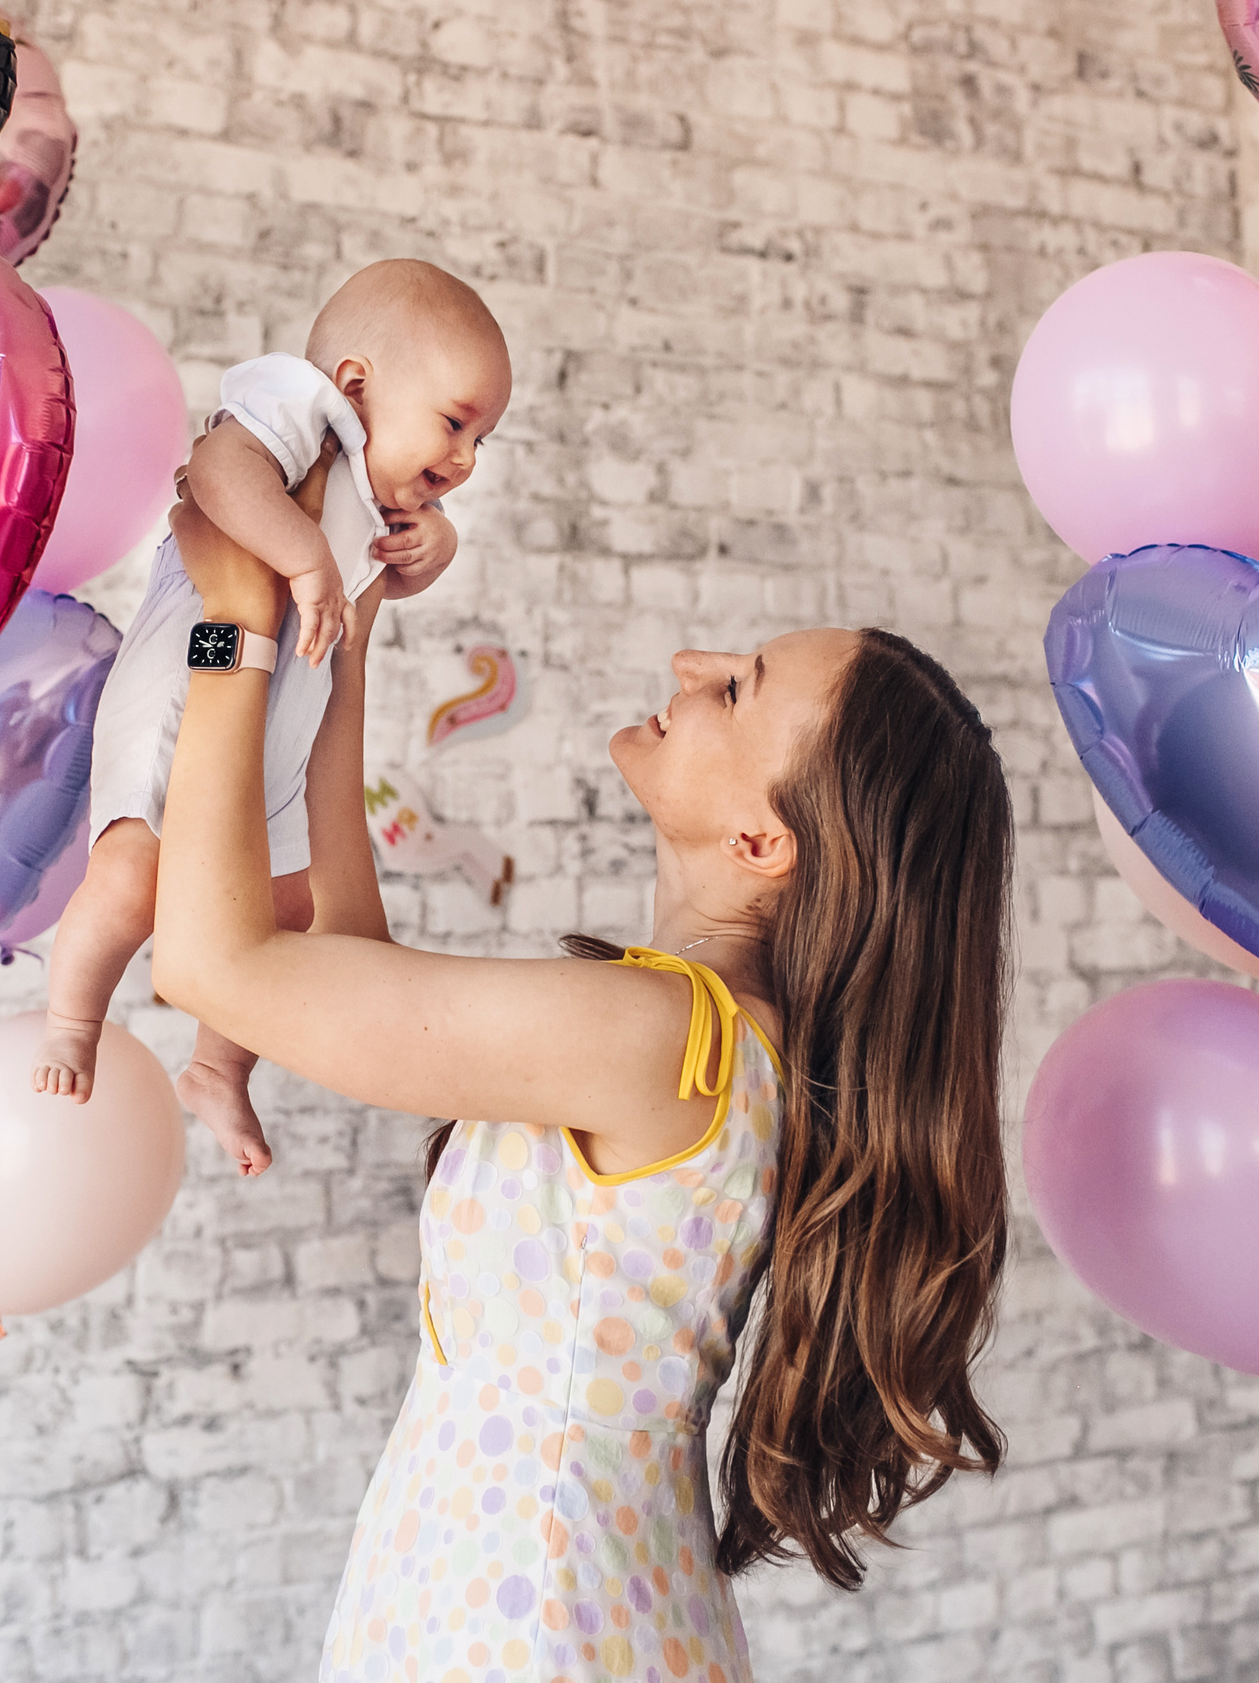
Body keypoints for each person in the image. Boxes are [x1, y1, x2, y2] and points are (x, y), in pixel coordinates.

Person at [149, 493, 1018, 1681]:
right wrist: (344, 629)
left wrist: (232, 625)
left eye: (737, 688)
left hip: (528, 1618)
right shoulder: (704, 1035)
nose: (690, 664)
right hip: (530, 1593)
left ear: (762, 844)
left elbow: (211, 965)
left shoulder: (663, 1035)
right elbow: (350, 962)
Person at [32, 259, 513, 1176]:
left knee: (285, 912)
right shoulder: (304, 412)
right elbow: (219, 470)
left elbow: (378, 591)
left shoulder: (375, 494)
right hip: (186, 687)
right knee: (133, 878)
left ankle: (217, 1067)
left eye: (481, 441)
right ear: (357, 385)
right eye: (455, 423)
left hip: (276, 739)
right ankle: (70, 1022)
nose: (463, 460)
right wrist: (301, 556)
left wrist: (435, 547)